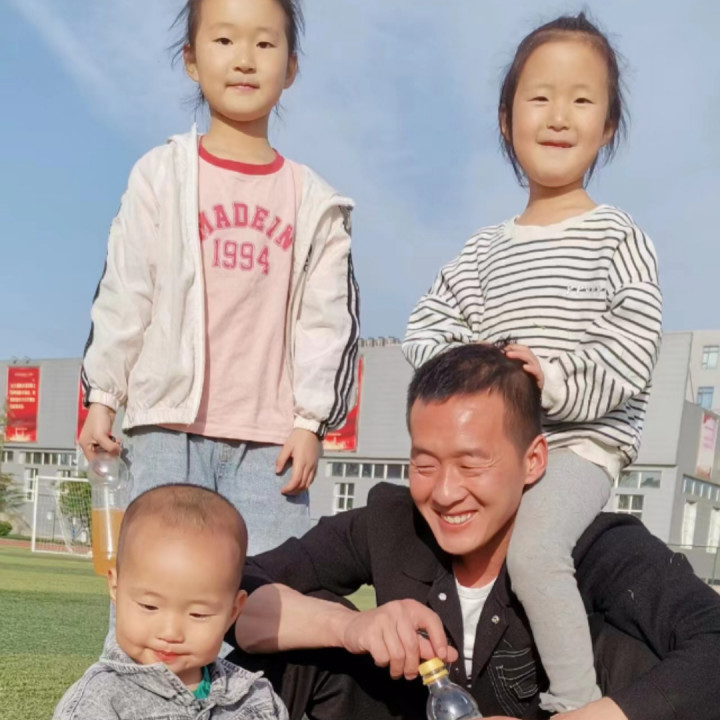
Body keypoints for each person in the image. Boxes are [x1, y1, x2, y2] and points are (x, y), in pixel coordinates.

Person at [228, 343, 720, 720]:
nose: (444, 493)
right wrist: (351, 627)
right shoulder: (390, 523)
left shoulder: (593, 546)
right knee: (303, 641)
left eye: (472, 465)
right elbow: (232, 590)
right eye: (424, 465)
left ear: (533, 460)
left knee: (640, 651)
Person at [402, 13, 662, 713]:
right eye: (540, 97)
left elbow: (633, 348)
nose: (558, 115)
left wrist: (551, 380)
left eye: (582, 100)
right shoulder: (485, 249)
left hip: (580, 444)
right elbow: (425, 327)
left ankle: (574, 701)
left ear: (608, 126)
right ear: (506, 118)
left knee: (535, 551)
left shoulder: (617, 237)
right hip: (502, 450)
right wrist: (484, 371)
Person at [78, 0, 359, 555]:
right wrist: (103, 397)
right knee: (159, 578)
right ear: (191, 59)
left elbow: (327, 325)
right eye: (225, 40)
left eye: (265, 43)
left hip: (271, 444)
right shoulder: (161, 176)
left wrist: (311, 423)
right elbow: (126, 293)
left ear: (291, 67)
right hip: (166, 430)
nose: (245, 59)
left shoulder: (316, 203)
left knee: (270, 588)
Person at [53, 485, 288, 720]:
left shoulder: (256, 699)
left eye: (198, 614)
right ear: (116, 588)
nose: (170, 633)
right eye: (149, 606)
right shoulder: (98, 701)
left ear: (233, 612)